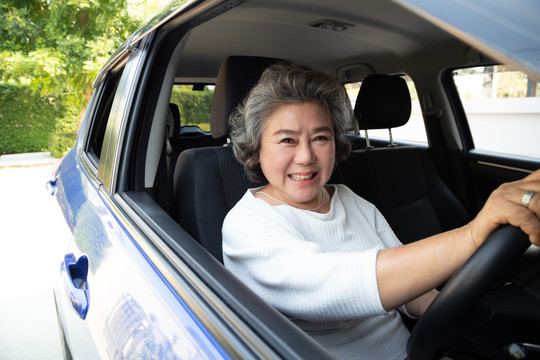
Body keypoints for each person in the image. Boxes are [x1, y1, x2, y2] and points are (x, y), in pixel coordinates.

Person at [222, 62, 540, 360]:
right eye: (287, 140)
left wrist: (474, 323)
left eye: (320, 137)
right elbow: (343, 285)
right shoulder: (246, 225)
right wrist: (473, 235)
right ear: (256, 148)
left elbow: (411, 294)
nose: (306, 156)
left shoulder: (348, 198)